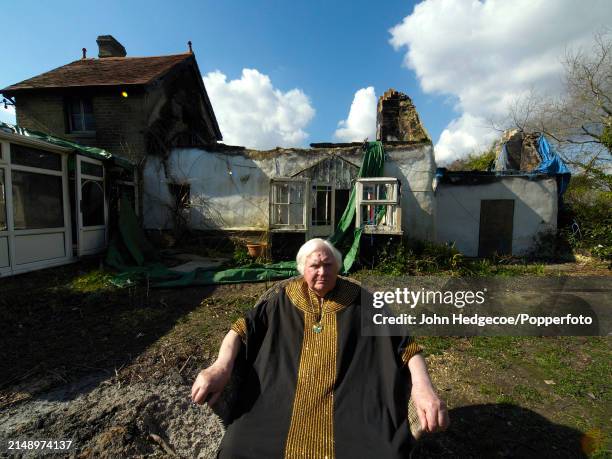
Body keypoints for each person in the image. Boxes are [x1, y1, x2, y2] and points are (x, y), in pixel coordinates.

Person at [191, 238, 449, 458]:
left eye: (328, 264)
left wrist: (424, 388)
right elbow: (240, 331)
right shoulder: (280, 300)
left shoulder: (365, 302)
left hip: (355, 406)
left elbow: (406, 345)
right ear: (302, 268)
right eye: (315, 265)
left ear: (338, 266)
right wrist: (220, 366)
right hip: (276, 403)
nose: (322, 272)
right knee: (239, 449)